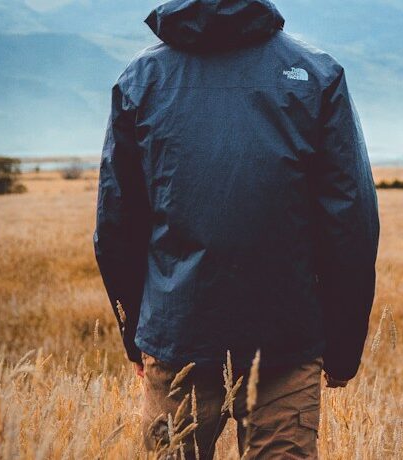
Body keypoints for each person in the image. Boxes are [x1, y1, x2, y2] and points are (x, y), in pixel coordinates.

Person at [94, 0, 379, 457]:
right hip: (288, 347)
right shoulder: (316, 75)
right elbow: (351, 226)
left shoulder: (141, 80)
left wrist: (137, 339)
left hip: (176, 340)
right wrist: (343, 348)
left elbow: (115, 228)